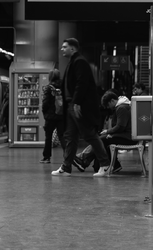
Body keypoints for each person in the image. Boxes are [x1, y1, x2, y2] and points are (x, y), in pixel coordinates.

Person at [52, 39, 111, 177]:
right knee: (70, 137)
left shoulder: (79, 62)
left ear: (73, 49)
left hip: (77, 105)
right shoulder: (73, 62)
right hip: (71, 105)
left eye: (64, 47)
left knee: (89, 134)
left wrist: (77, 102)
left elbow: (81, 83)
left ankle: (105, 164)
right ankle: (66, 167)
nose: (62, 49)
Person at [73, 90, 136, 174]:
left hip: (127, 137)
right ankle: (113, 164)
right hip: (127, 135)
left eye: (108, 105)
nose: (108, 107)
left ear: (112, 101)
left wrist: (108, 132)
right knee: (102, 139)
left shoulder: (121, 108)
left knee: (101, 139)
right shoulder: (124, 106)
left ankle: (83, 158)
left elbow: (121, 126)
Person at [40, 69, 65, 163]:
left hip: (50, 117)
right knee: (62, 136)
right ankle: (67, 156)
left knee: (48, 137)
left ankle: (46, 157)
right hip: (61, 116)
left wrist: (45, 113)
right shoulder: (63, 87)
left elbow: (45, 103)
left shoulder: (48, 88)